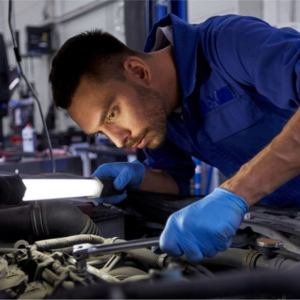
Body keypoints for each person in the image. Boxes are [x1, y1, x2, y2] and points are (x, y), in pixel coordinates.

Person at [49, 13, 300, 261]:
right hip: (285, 226)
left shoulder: (228, 42)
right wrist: (138, 179)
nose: (118, 140)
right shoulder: (157, 116)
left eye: (112, 115)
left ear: (137, 71)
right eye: (102, 131)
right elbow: (174, 182)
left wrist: (236, 192)